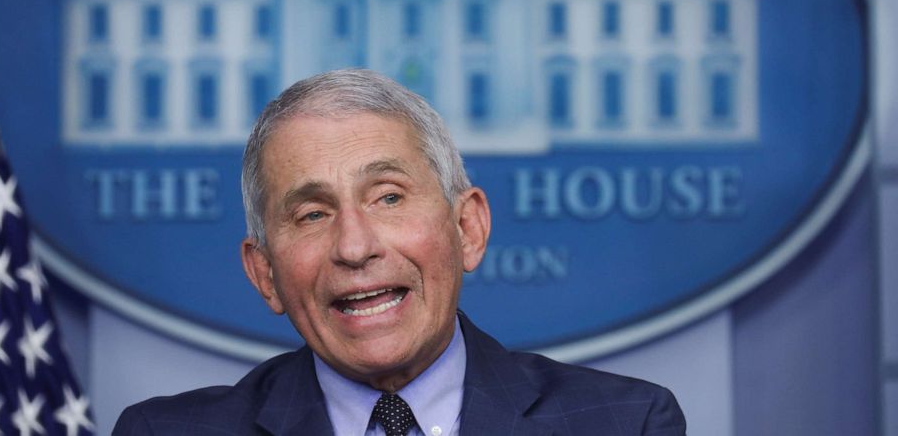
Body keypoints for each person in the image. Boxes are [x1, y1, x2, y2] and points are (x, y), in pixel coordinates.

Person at [113, 68, 686, 435]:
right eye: (312, 214)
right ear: (265, 274)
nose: (355, 246)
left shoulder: (625, 423)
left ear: (468, 228)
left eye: (388, 197)